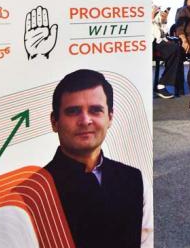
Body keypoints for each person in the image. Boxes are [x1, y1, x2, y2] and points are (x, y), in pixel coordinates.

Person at [44, 69, 150, 247]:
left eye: (95, 110)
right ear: (55, 122)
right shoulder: (29, 196)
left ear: (110, 118)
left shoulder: (136, 181)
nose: (85, 120)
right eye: (73, 111)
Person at [151, 0, 183, 99]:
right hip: (143, 43)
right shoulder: (136, 5)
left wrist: (164, 20)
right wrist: (150, 18)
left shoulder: (153, 6)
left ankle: (161, 84)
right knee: (173, 48)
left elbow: (161, 30)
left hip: (157, 41)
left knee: (175, 49)